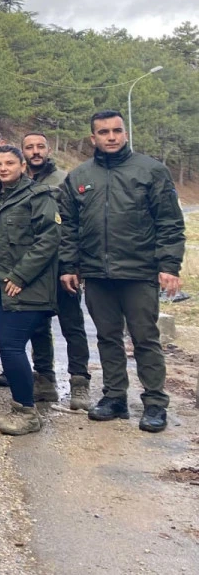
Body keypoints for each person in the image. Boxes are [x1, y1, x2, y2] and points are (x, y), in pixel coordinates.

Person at [59, 110, 187, 434]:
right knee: (107, 338)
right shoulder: (78, 177)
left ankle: (155, 402)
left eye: (117, 130)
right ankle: (115, 397)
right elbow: (69, 227)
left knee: (145, 338)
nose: (111, 137)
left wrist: (169, 266)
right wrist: (69, 266)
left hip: (140, 273)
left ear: (125, 133)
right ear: (93, 138)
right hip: (97, 275)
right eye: (104, 132)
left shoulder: (151, 171)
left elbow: (170, 222)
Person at [0, 145, 62, 436]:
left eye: (9, 163)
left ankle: (26, 412)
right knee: (8, 347)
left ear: (21, 165)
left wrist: (20, 274)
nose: (3, 168)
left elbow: (49, 239)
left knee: (10, 347)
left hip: (25, 287)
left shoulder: (39, 196)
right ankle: (22, 403)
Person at [23, 132, 89, 409]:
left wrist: (73, 264)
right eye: (29, 147)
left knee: (72, 325)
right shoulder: (18, 181)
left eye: (40, 146)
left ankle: (79, 383)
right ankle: (46, 380)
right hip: (36, 270)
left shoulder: (65, 179)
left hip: (63, 266)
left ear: (48, 149)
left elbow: (76, 224)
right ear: (22, 151)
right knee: (38, 327)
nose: (35, 151)